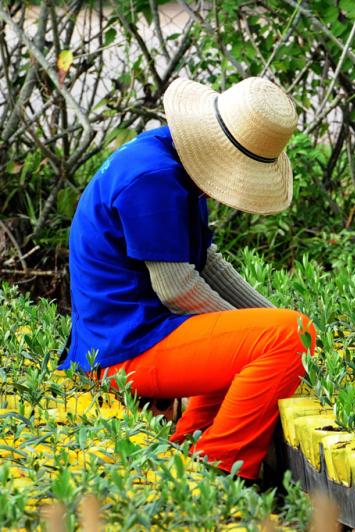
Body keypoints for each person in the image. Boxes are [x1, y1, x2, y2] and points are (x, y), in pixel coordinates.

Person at [58, 76, 317, 484]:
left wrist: (266, 318)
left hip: (134, 337)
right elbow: (177, 288)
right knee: (287, 336)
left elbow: (205, 263)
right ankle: (220, 467)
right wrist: (266, 335)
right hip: (124, 350)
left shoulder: (168, 158)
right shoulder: (153, 179)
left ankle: (188, 443)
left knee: (282, 329)